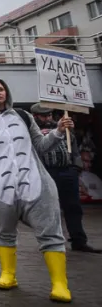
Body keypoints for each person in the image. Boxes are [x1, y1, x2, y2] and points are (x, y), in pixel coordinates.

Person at [0, 79, 74, 302]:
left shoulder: (23, 116)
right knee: (3, 232)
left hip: (36, 184)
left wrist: (57, 131)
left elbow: (41, 145)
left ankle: (59, 284)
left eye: (1, 89)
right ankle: (8, 275)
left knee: (50, 231)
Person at [30, 104, 100, 253]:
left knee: (73, 207)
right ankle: (50, 242)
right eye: (44, 116)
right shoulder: (31, 130)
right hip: (46, 172)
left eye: (49, 115)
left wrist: (76, 167)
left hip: (67, 170)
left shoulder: (64, 126)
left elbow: (74, 147)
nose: (48, 118)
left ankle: (78, 241)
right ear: (35, 116)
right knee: (49, 209)